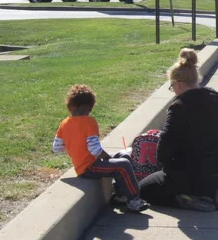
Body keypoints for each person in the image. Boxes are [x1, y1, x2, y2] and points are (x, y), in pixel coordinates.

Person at [139, 48, 218, 211]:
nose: (172, 89)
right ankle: (212, 194)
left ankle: (188, 199)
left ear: (179, 84)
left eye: (171, 85)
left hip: (188, 176)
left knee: (143, 190)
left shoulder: (179, 107)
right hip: (217, 173)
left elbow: (163, 152)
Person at [53, 84, 149, 213]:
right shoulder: (89, 122)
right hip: (89, 167)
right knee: (123, 163)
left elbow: (57, 147)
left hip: (84, 164)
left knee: (123, 156)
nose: (84, 114)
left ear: (70, 107)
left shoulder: (64, 124)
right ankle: (133, 199)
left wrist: (73, 146)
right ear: (90, 107)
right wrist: (107, 157)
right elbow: (95, 150)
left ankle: (121, 195)